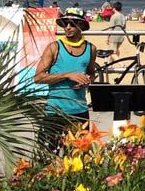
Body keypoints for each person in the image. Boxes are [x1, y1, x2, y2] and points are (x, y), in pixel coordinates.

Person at [33, 8, 97, 142]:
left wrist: (87, 80)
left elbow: (91, 73)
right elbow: (38, 77)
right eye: (65, 23)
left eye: (72, 23)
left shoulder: (91, 48)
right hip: (55, 111)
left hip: (80, 110)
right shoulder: (54, 47)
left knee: (78, 156)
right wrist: (68, 75)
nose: (68, 27)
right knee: (48, 155)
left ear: (82, 26)